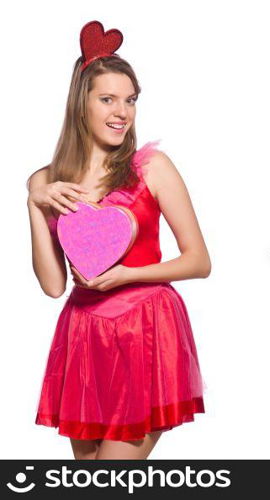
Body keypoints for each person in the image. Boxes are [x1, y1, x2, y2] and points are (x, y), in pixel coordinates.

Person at [27, 21, 210, 459]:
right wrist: (34, 204)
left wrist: (129, 274)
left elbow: (199, 261)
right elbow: (54, 286)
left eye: (129, 100)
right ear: (81, 105)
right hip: (84, 335)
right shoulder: (48, 183)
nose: (122, 112)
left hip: (143, 328)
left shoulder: (152, 168)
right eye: (108, 99)